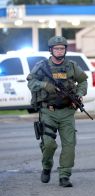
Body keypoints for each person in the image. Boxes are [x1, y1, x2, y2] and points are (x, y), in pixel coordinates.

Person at [27, 36, 88, 187]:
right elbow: (31, 81)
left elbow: (83, 80)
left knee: (69, 144)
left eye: (62, 48)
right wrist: (44, 85)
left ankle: (64, 175)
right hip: (48, 111)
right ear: (51, 50)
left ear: (65, 50)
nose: (59, 51)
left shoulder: (72, 66)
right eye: (56, 48)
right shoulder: (42, 66)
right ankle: (47, 166)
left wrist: (80, 93)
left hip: (67, 111)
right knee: (49, 145)